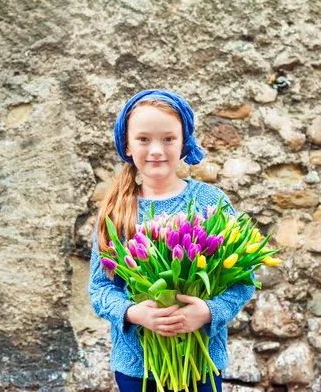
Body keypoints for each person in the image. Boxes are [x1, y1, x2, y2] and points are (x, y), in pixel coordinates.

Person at [88, 89, 256, 392]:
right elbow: (100, 288)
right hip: (137, 368)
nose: (156, 150)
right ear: (126, 144)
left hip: (200, 367)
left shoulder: (210, 202)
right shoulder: (116, 211)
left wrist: (207, 312)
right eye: (143, 139)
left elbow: (244, 281)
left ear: (184, 142)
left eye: (168, 138)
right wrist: (134, 313)